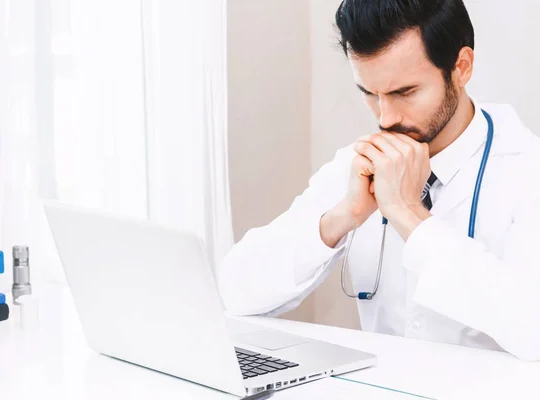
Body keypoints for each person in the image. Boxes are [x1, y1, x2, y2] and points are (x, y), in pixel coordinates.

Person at [217, 0, 540, 361]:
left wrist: (409, 216)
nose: (385, 118)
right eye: (369, 93)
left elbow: (534, 329)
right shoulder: (356, 165)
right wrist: (341, 217)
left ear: (461, 67)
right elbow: (233, 292)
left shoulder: (528, 171)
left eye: (405, 92)